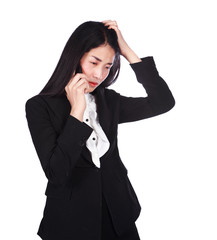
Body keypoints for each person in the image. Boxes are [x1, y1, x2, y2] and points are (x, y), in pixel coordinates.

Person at [25, 20, 175, 240]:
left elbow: (163, 102)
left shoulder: (108, 101)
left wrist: (125, 49)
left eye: (107, 66)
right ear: (76, 56)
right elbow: (57, 173)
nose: (99, 74)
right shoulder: (39, 106)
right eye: (94, 62)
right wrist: (77, 110)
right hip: (70, 222)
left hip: (119, 216)